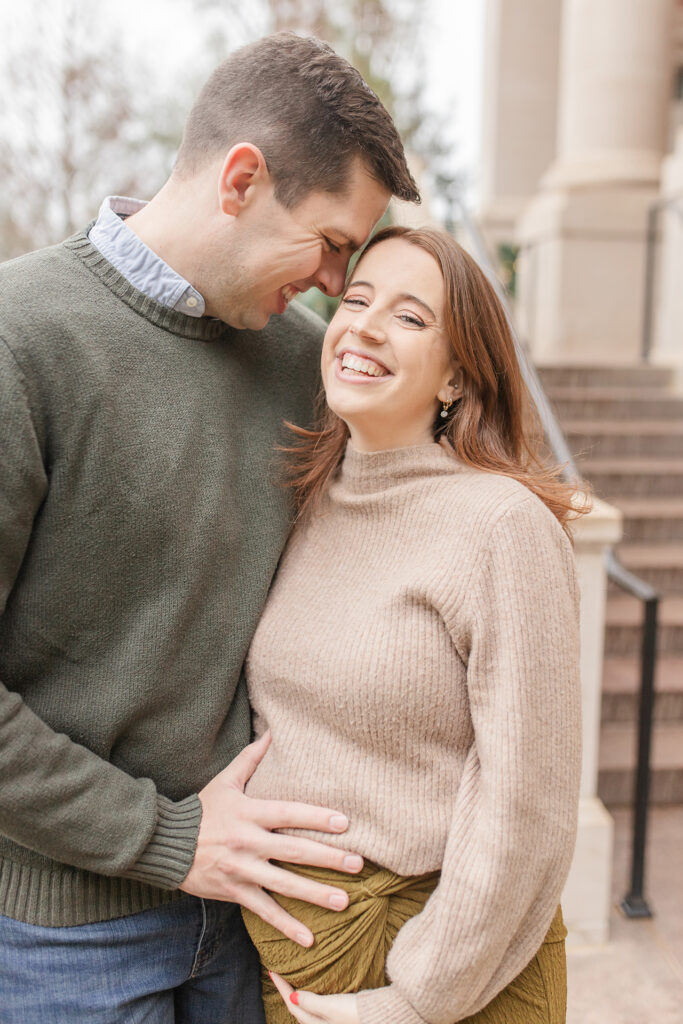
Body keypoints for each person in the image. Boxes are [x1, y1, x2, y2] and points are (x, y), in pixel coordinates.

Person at [0, 34, 420, 1024]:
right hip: (69, 939)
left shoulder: (308, 362)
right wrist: (168, 839)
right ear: (240, 180)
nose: (333, 280)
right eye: (326, 241)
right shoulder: (21, 339)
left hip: (258, 921)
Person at [241, 225, 586, 1024]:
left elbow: (526, 801)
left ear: (457, 376)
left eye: (408, 316)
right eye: (354, 299)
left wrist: (415, 1000)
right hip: (303, 972)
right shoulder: (307, 506)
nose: (361, 324)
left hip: (444, 981)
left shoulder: (498, 525)